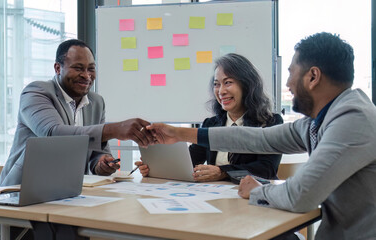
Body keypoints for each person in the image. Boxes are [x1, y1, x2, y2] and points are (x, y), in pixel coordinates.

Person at [145, 32, 376, 239]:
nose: (288, 83)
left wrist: (258, 190)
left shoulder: (353, 120)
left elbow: (300, 195)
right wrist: (179, 133)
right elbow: (258, 139)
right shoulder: (319, 121)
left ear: (313, 76)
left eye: (291, 73)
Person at [0, 39, 154, 186]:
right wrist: (114, 129)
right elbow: (53, 133)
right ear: (58, 68)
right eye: (78, 68)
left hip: (71, 191)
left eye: (91, 69)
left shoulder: (96, 102)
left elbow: (97, 154)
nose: (86, 75)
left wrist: (102, 164)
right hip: (21, 190)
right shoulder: (36, 92)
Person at [135, 53, 283, 182]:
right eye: (216, 84)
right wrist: (157, 168)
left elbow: (267, 169)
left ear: (247, 85)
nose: (221, 91)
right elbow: (190, 162)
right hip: (214, 197)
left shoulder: (271, 122)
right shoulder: (211, 124)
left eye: (228, 83)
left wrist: (223, 172)